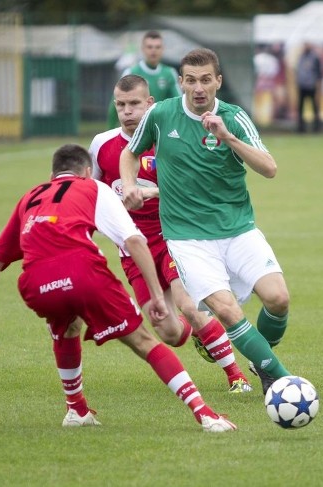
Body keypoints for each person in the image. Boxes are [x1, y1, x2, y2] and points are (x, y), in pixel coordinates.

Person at [0, 143, 236, 433]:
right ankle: (205, 414)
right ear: (86, 171)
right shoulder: (93, 187)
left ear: (52, 174)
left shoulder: (29, 197)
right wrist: (157, 296)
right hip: (83, 273)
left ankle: (76, 410)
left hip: (34, 284)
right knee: (144, 342)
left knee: (68, 328)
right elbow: (133, 241)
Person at [120, 48, 293, 395]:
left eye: (205, 80)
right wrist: (128, 185)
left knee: (278, 299)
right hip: (187, 238)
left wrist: (227, 136)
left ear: (218, 81)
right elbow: (130, 152)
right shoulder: (161, 114)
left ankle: (260, 357)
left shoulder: (235, 116)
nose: (198, 88)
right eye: (191, 80)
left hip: (238, 227)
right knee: (226, 310)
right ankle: (282, 381)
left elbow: (269, 168)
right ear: (181, 82)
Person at [90, 74, 252, 393]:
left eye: (135, 104)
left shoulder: (165, 137)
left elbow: (193, 187)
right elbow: (92, 191)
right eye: (121, 105)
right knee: (167, 330)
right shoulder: (101, 144)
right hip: (133, 251)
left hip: (173, 238)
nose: (127, 111)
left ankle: (237, 376)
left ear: (149, 104)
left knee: (190, 305)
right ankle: (200, 334)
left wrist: (151, 193)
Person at [106, 30, 181, 129]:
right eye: (150, 47)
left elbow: (179, 102)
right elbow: (115, 104)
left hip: (161, 127)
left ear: (163, 49)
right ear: (143, 49)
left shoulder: (169, 73)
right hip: (136, 128)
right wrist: (110, 131)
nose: (153, 50)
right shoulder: (131, 72)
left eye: (157, 47)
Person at [295, 42, 323, 133]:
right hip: (302, 86)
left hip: (311, 86)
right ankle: (301, 128)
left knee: (314, 107)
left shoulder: (315, 58)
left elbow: (319, 74)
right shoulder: (301, 57)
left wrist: (318, 87)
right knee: (301, 108)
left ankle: (316, 128)